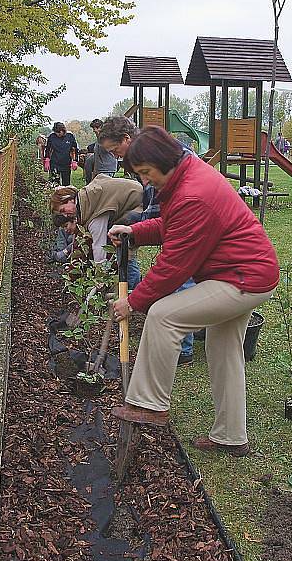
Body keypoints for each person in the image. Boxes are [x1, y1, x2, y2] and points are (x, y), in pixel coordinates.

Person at [108, 126, 279, 455]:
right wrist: (135, 230)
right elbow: (173, 226)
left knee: (164, 315)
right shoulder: (185, 178)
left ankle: (149, 403)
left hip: (242, 278)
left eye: (146, 173)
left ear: (162, 160)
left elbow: (174, 266)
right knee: (224, 351)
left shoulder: (193, 192)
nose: (145, 181)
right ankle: (231, 436)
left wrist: (133, 302)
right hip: (243, 273)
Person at [100, 115, 196, 366]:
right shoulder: (152, 156)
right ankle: (193, 333)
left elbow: (159, 214)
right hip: (183, 228)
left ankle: (183, 347)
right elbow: (156, 213)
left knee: (180, 283)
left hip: (189, 231)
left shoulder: (156, 160)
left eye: (115, 150)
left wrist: (133, 302)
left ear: (126, 139)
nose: (118, 158)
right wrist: (135, 231)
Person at [49, 176, 143, 290]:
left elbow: (99, 246)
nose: (65, 216)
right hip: (133, 198)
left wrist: (100, 279)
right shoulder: (86, 198)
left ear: (70, 199)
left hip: (138, 204)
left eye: (63, 210)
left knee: (125, 254)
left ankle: (132, 291)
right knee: (119, 248)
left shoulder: (93, 209)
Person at [83, 119, 118, 184]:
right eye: (93, 128)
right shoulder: (98, 140)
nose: (94, 130)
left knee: (104, 190)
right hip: (99, 170)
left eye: (96, 128)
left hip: (107, 169)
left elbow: (114, 150)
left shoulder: (107, 138)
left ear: (102, 128)